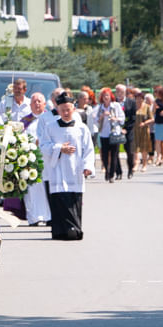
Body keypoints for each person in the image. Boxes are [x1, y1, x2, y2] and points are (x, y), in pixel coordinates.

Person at [40, 93, 95, 240]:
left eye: (68, 109)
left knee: (74, 200)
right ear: (57, 109)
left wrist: (88, 166)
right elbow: (43, 146)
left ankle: (75, 230)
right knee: (58, 200)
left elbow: (89, 149)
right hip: (57, 170)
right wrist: (59, 148)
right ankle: (60, 232)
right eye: (62, 109)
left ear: (74, 109)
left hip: (75, 170)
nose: (65, 113)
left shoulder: (82, 128)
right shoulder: (50, 127)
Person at [22, 93, 52, 226]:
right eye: (34, 101)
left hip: (47, 160)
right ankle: (34, 217)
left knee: (47, 189)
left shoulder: (51, 119)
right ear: (30, 105)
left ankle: (49, 216)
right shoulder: (25, 121)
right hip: (31, 160)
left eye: (40, 101)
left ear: (44, 104)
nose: (37, 103)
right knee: (32, 191)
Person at [94, 87, 124, 183]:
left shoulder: (116, 106)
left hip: (114, 133)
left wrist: (114, 118)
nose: (105, 97)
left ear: (111, 96)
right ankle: (106, 170)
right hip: (104, 134)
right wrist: (102, 116)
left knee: (114, 155)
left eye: (107, 95)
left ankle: (112, 175)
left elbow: (122, 118)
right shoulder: (100, 108)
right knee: (105, 155)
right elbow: (96, 121)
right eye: (103, 96)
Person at [135, 93, 154, 172]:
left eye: (140, 98)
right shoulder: (133, 107)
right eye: (137, 98)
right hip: (135, 130)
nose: (139, 100)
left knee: (144, 148)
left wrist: (145, 123)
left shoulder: (147, 107)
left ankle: (144, 165)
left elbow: (152, 119)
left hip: (144, 130)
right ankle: (136, 163)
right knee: (134, 148)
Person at [154, 86, 163, 166]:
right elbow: (153, 111)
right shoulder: (156, 101)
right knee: (158, 141)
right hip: (158, 122)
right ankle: (158, 157)